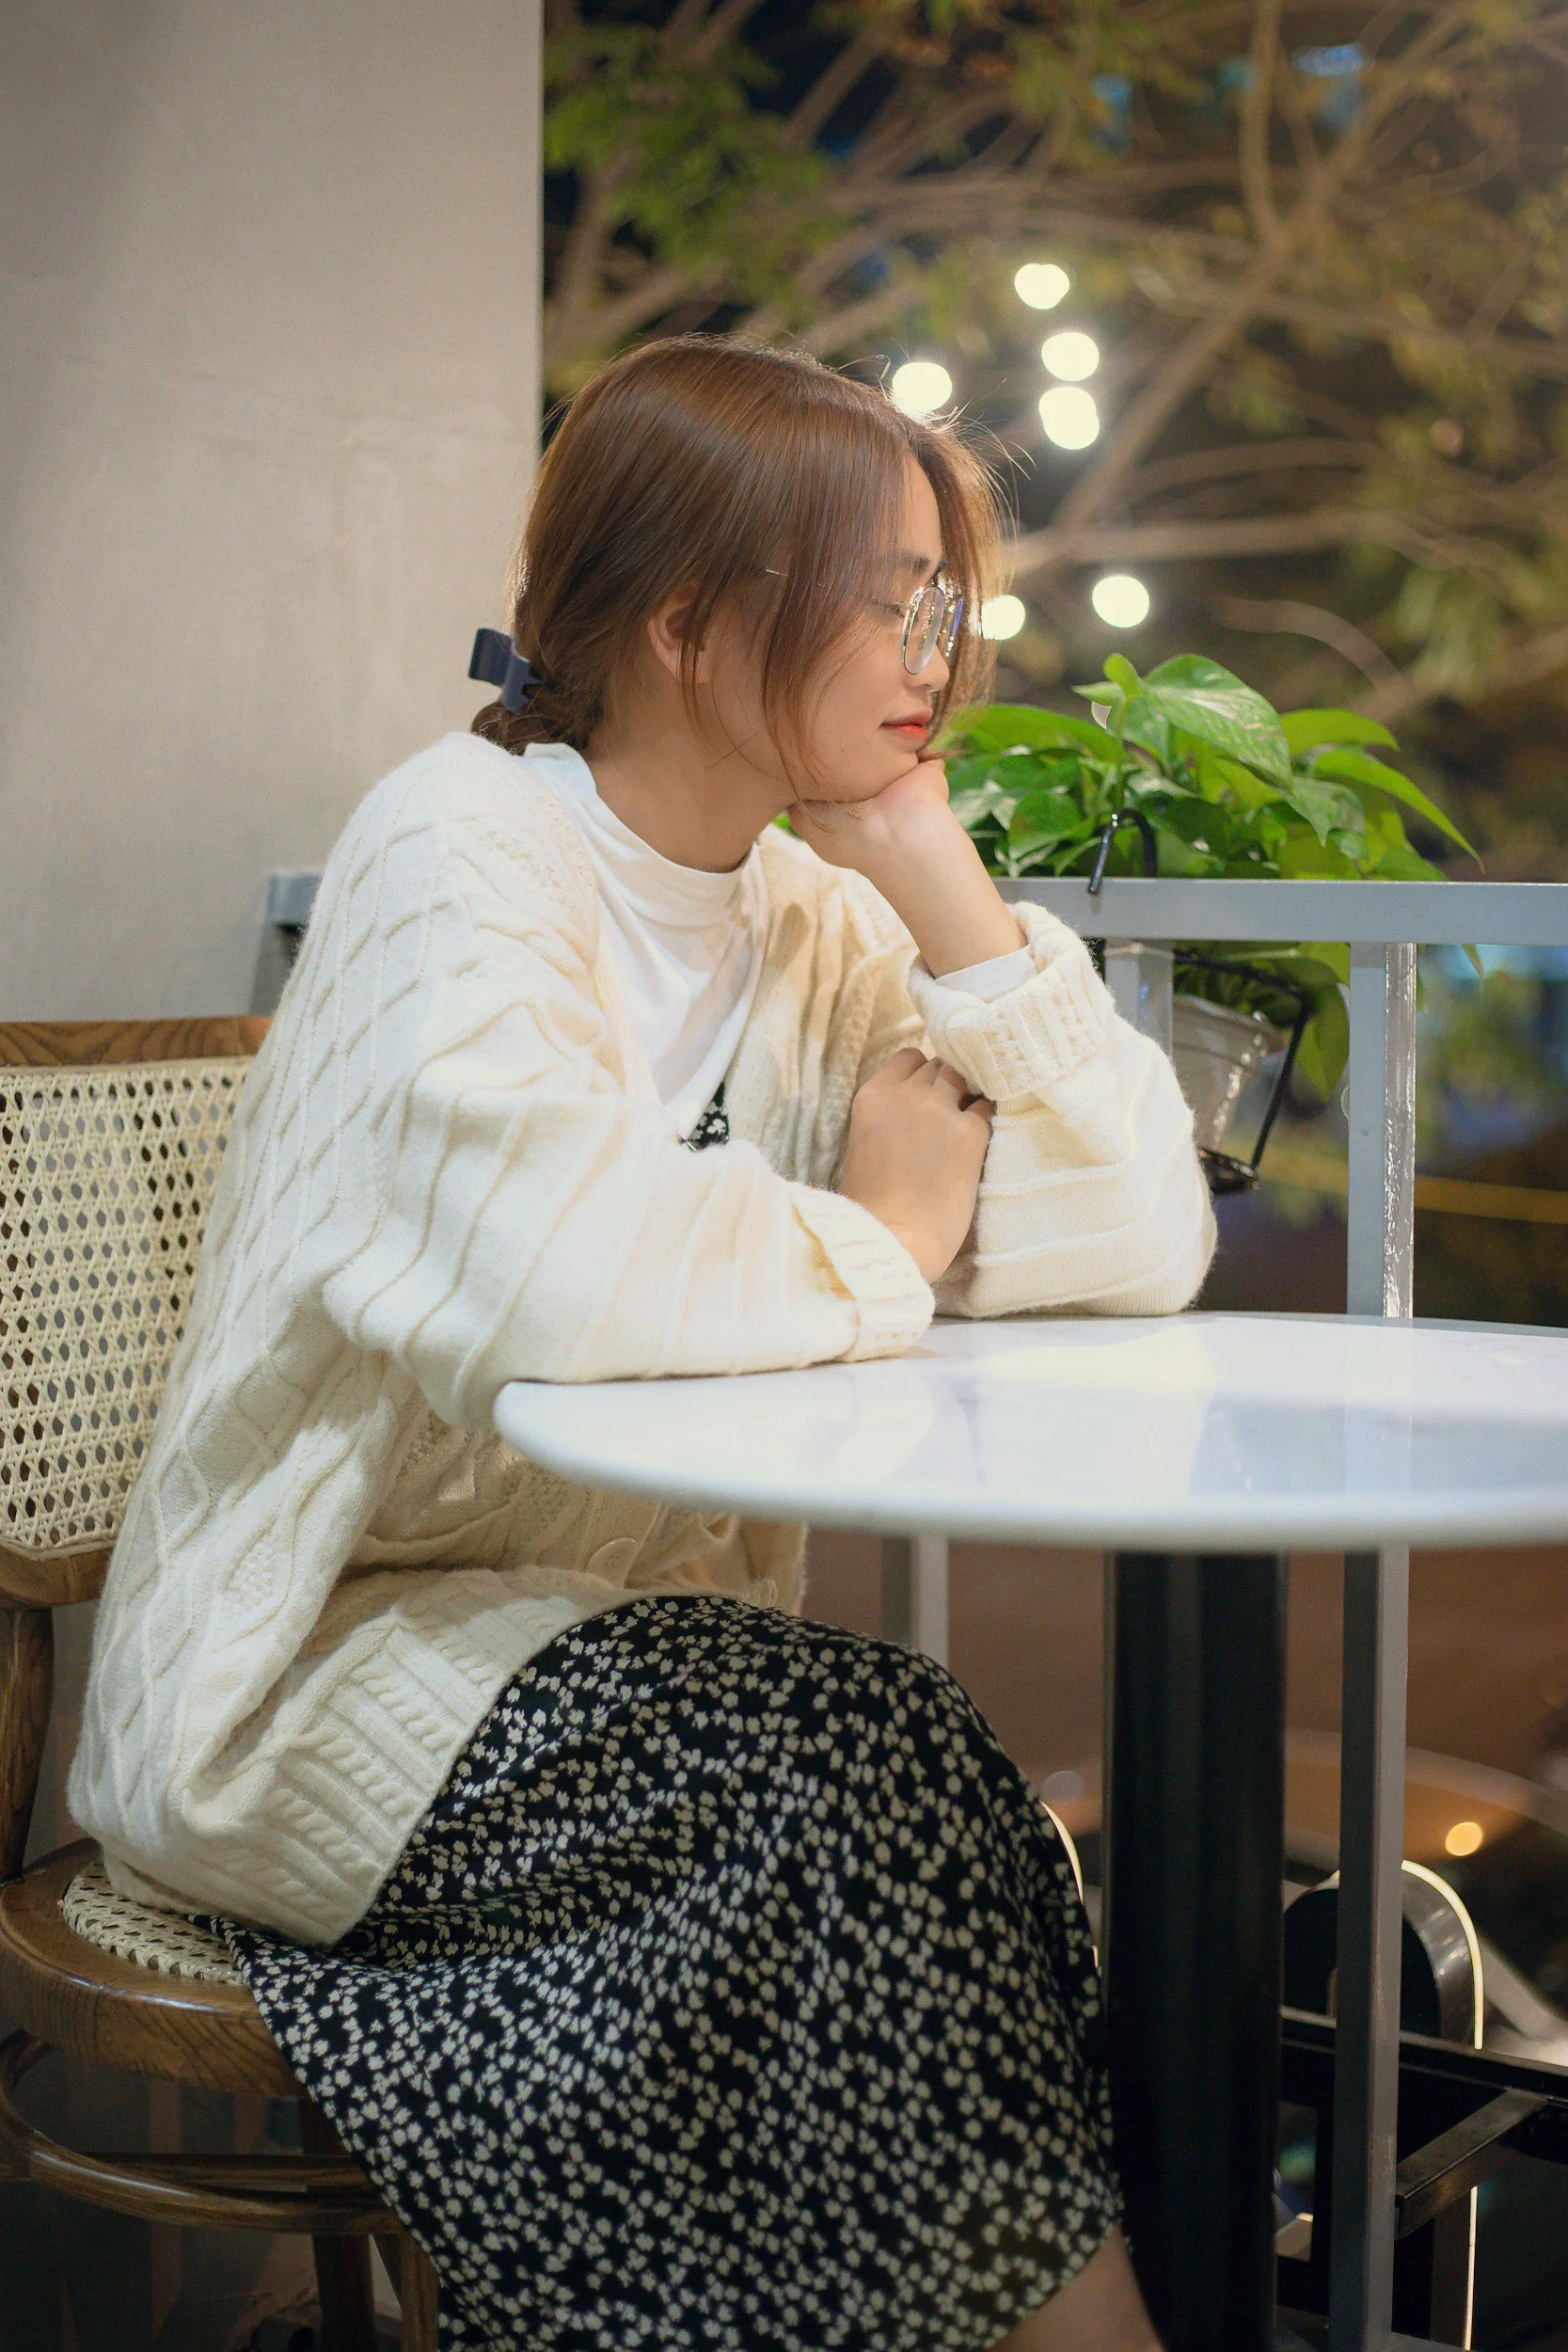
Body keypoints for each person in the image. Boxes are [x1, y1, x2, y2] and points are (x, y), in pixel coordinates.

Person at [70, 336, 1214, 2351]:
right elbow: (560, 1282)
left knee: (907, 1810)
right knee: (884, 1771)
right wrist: (878, 1235)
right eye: (887, 590)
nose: (937, 639)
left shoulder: (818, 917)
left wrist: (933, 871)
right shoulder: (462, 846)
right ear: (685, 617)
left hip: (614, 1676)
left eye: (949, 595)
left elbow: (1135, 1234)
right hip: (308, 1668)